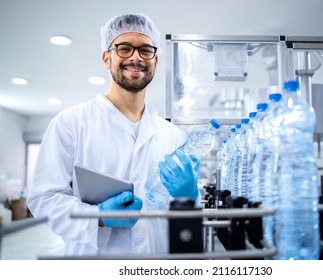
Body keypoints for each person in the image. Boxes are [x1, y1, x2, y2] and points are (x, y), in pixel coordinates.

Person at [26, 13, 200, 256]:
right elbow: (43, 200)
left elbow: (184, 216)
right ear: (107, 58)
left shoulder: (173, 136)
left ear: (156, 61)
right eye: (125, 48)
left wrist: (190, 197)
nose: (136, 57)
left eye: (146, 50)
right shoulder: (70, 123)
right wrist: (99, 217)